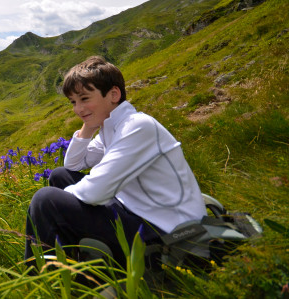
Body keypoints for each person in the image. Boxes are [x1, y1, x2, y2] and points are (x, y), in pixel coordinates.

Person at [24, 56, 207, 267]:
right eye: (73, 102)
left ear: (113, 94)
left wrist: (54, 205)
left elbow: (96, 192)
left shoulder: (138, 126)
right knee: (60, 176)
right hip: (137, 213)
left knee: (45, 200)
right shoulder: (111, 127)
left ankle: (41, 277)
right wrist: (89, 126)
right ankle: (78, 262)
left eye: (84, 99)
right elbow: (72, 165)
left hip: (170, 233)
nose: (77, 109)